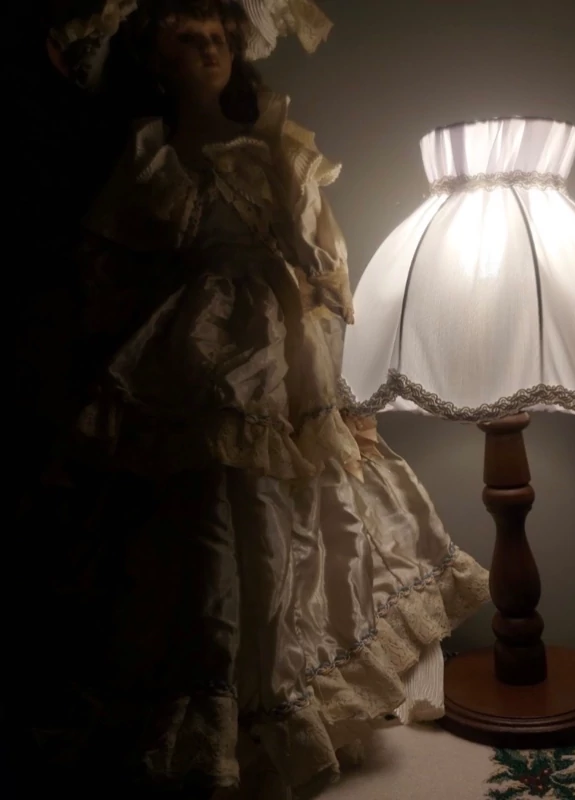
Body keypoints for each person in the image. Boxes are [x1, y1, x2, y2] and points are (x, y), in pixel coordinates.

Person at [26, 1, 489, 796]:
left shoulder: (275, 141)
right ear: (157, 61)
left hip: (284, 346)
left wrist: (330, 337)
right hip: (198, 345)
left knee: (296, 507)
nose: (208, 50)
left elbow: (320, 255)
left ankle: (283, 687)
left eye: (217, 37)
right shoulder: (152, 152)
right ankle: (220, 709)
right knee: (209, 512)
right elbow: (111, 266)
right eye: (188, 40)